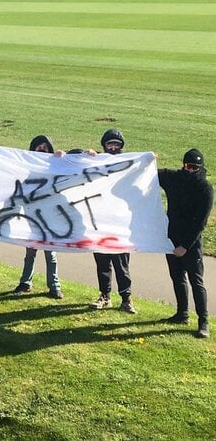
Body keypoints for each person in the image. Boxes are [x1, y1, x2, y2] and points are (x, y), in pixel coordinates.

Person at [158, 149, 212, 338]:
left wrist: (185, 246)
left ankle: (203, 321)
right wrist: (148, 159)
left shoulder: (205, 188)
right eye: (188, 166)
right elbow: (150, 173)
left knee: (196, 281)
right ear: (183, 165)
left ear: (201, 168)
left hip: (192, 243)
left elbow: (201, 222)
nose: (191, 170)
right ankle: (182, 314)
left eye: (195, 167)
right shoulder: (173, 178)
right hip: (172, 238)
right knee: (177, 277)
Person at [90, 129, 136, 313]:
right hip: (99, 222)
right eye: (110, 144)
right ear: (104, 145)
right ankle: (104, 295)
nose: (113, 147)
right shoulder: (97, 161)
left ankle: (126, 298)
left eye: (117, 144)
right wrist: (88, 155)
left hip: (120, 223)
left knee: (121, 263)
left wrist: (147, 160)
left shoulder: (129, 164)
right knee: (102, 262)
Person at [13, 135, 63, 299]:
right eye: (38, 146)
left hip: (49, 215)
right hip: (32, 214)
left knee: (51, 252)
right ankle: (25, 282)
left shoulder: (54, 166)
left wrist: (62, 155)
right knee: (30, 250)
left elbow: (72, 161)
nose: (41, 149)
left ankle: (54, 286)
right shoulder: (28, 167)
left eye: (45, 147)